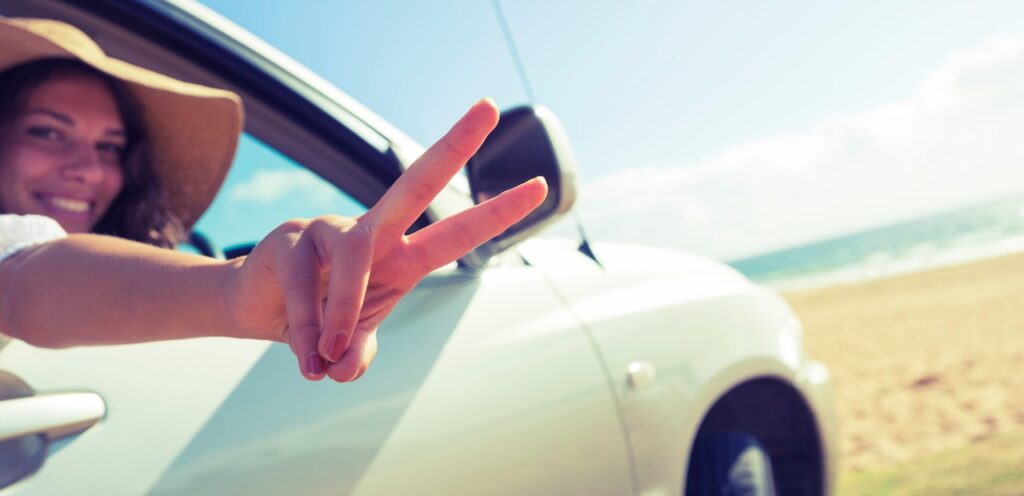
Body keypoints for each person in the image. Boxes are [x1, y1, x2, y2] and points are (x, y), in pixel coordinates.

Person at [0, 17, 547, 382]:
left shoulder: (157, 267)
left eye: (110, 147)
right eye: (48, 132)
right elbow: (22, 277)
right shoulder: (24, 265)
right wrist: (230, 289)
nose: (87, 168)